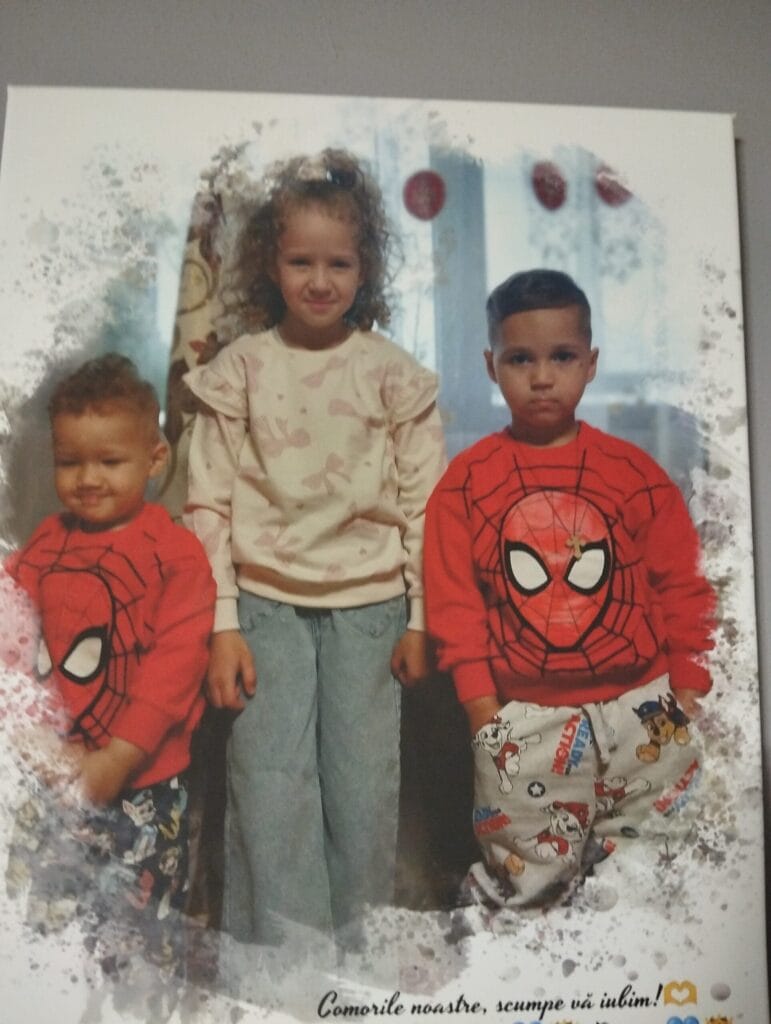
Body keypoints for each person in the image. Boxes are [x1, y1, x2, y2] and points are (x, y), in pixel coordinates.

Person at [183, 147, 446, 951]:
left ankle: (355, 967)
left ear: (365, 268)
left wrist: (420, 618)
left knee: (362, 794)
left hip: (372, 612)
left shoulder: (393, 375)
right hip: (263, 611)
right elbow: (207, 504)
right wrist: (222, 623)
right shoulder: (241, 370)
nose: (320, 281)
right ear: (271, 263)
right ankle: (280, 971)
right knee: (269, 791)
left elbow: (426, 508)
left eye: (339, 263)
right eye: (301, 261)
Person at [424, 268, 715, 907]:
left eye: (562, 356)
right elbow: (454, 607)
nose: (542, 376)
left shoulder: (635, 473)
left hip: (645, 708)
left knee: (652, 879)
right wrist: (483, 712)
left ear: (591, 362)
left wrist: (689, 688)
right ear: (491, 365)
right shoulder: (465, 483)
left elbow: (683, 584)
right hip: (525, 716)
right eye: (519, 359)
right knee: (525, 882)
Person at [5, 353, 216, 972]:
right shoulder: (46, 541)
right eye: (70, 462)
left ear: (155, 458)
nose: (88, 479)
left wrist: (116, 759)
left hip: (142, 782)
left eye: (110, 461)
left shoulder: (175, 553)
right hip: (50, 773)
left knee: (137, 939)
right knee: (44, 922)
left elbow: (173, 672)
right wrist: (32, 739)